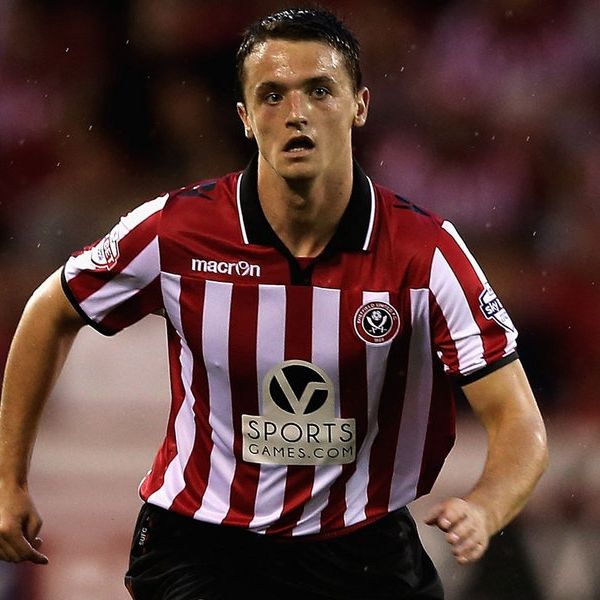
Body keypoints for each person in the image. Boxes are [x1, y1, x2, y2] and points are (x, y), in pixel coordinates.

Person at [0, 8, 548, 600]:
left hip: (363, 551)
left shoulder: (424, 253)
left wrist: (485, 507)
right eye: (272, 95)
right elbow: (50, 310)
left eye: (320, 90)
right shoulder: (177, 231)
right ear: (245, 117)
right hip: (202, 546)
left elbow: (518, 421)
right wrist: (8, 479)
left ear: (360, 105)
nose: (296, 113)